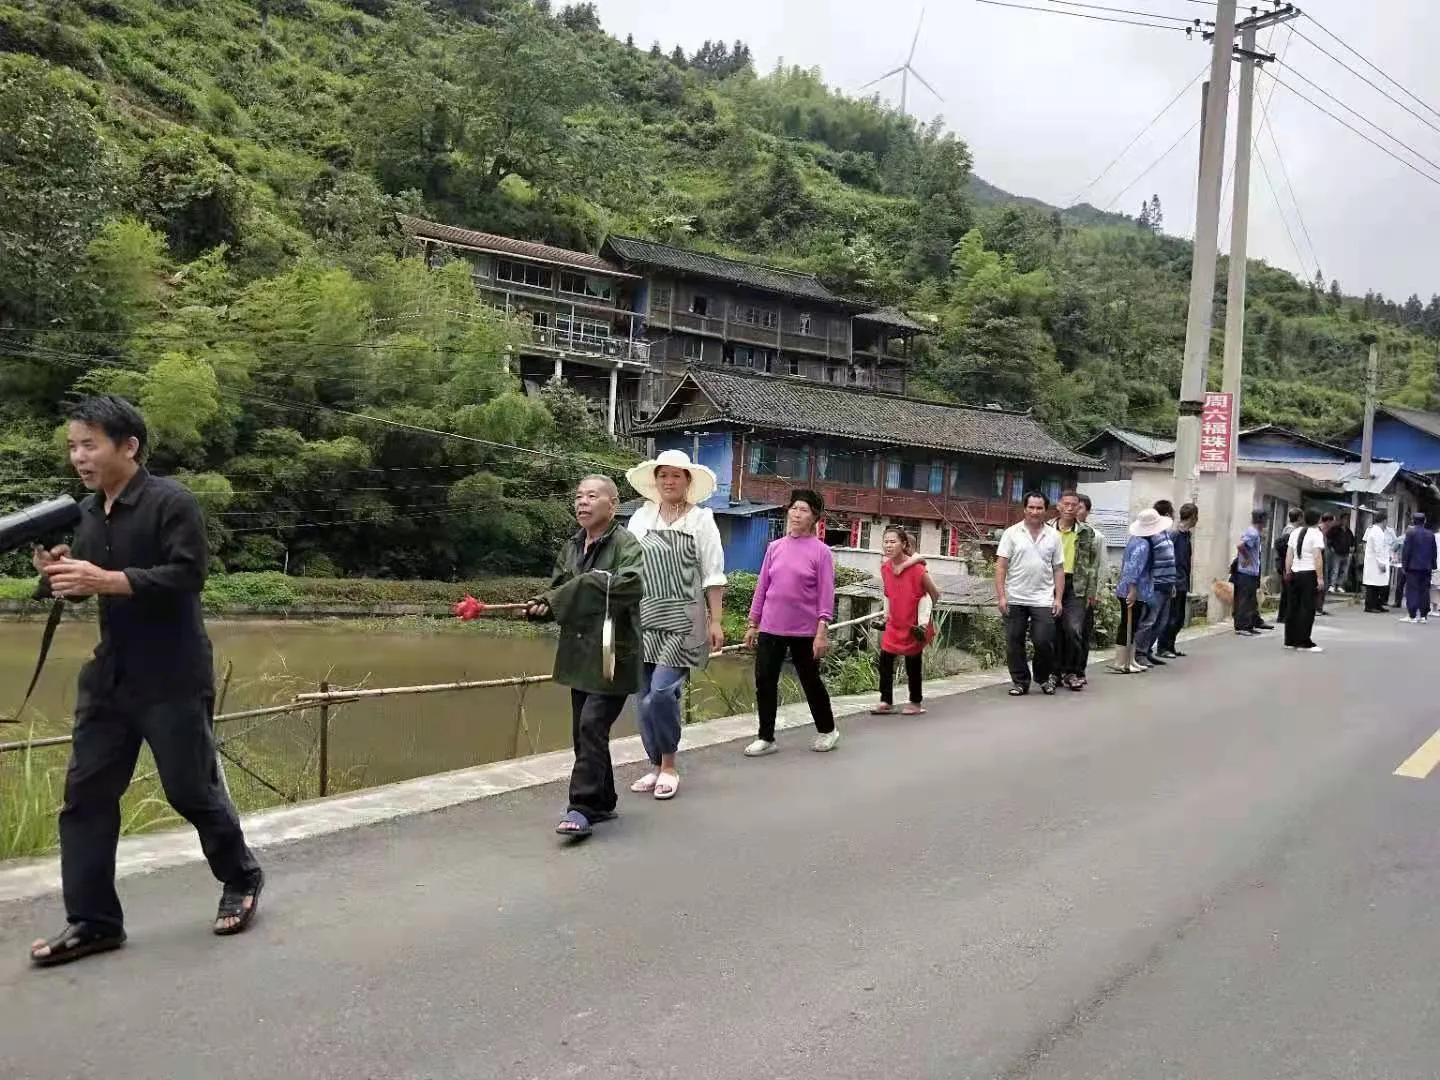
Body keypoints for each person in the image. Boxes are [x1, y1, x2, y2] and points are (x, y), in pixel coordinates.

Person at [28, 396, 263, 969]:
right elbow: (83, 587)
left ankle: (241, 877)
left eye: (89, 445)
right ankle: (94, 922)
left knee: (189, 789)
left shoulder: (171, 502)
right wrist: (57, 574)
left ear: (128, 446)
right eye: (73, 446)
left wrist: (105, 579)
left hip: (172, 675)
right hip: (110, 676)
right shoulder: (86, 513)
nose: (78, 457)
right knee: (86, 797)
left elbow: (187, 575)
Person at [529, 475, 644, 839]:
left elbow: (630, 586)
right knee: (585, 731)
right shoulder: (572, 546)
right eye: (579, 496)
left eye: (592, 496)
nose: (582, 502)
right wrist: (543, 606)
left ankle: (581, 807)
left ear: (612, 504)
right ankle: (604, 801)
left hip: (612, 655)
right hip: (579, 653)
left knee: (592, 725)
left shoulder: (627, 544)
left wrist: (584, 584)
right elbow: (559, 591)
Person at [624, 450, 727, 802]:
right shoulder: (641, 517)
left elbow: (713, 574)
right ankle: (654, 764)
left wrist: (716, 621)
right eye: (663, 475)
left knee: (662, 693)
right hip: (643, 616)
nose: (669, 481)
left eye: (676, 475)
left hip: (685, 618)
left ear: (687, 481)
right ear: (655, 480)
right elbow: (627, 567)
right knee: (642, 697)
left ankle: (669, 765)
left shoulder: (701, 520)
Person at [744, 490, 838, 756]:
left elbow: (826, 594)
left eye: (803, 510)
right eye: (794, 508)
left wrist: (821, 632)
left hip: (805, 630)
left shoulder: (821, 552)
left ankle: (828, 730)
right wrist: (753, 623)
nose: (796, 514)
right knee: (764, 681)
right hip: (771, 626)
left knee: (810, 681)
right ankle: (766, 737)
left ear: (814, 517)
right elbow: (763, 586)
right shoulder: (775, 547)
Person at [995, 492, 1065, 696]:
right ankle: (1020, 682)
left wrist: (1058, 599)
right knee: (1014, 641)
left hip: (1043, 598)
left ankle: (1043, 677)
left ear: (1045, 510)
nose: (1035, 512)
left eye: (1039, 508)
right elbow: (1001, 566)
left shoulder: (1054, 536)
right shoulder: (1011, 533)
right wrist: (1001, 596)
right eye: (1031, 507)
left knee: (1044, 640)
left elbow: (1058, 569)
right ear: (1025, 509)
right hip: (1015, 596)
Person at [870, 526, 940, 715]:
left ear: (903, 544)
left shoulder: (918, 569)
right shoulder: (885, 568)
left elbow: (934, 593)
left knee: (913, 664)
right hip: (894, 622)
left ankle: (915, 702)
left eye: (893, 542)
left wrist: (924, 616)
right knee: (885, 661)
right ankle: (886, 701)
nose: (888, 545)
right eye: (886, 542)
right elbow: (888, 593)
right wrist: (887, 615)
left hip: (913, 624)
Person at [1054, 491, 1103, 690]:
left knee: (1074, 629)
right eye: (1066, 504)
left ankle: (1072, 671)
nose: (1069, 508)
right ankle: (1054, 672)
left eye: (1074, 505)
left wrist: (1092, 592)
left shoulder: (1086, 532)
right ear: (1058, 505)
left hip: (1077, 584)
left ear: (1079, 508)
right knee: (1052, 631)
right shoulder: (1047, 530)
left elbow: (1093, 565)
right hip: (1050, 583)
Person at [1111, 508, 1167, 674]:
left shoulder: (1137, 541)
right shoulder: (1143, 544)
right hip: (1133, 590)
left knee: (1133, 625)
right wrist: (1133, 590)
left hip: (1136, 589)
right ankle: (1121, 661)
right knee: (1128, 624)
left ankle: (1130, 659)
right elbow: (1133, 569)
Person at [1134, 500, 1177, 668]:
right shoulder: (1149, 537)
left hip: (1167, 583)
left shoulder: (1166, 534)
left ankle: (1147, 651)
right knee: (1149, 621)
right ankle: (1139, 653)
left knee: (1161, 622)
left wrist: (1172, 584)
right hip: (1155, 584)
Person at [1156, 503, 1198, 658]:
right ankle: (1163, 647)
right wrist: (1171, 581)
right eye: (1196, 517)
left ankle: (1170, 646)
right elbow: (1169, 559)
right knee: (1171, 617)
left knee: (1179, 618)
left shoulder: (1187, 536)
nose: (1197, 520)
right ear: (1192, 517)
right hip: (1175, 581)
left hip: (1183, 580)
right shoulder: (1174, 535)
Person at [1283, 508, 1326, 653]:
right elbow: (1317, 557)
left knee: (1293, 607)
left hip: (1295, 572)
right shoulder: (1316, 534)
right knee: (1307, 608)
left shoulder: (1295, 532)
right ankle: (1303, 641)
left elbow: (1289, 554)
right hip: (1309, 574)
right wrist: (1320, 577)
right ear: (1318, 520)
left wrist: (1288, 571)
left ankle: (1290, 640)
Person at [1398, 512, 1438, 624]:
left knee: (1412, 590)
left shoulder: (1410, 533)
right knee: (1424, 591)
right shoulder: (1430, 534)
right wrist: (1433, 565)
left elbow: (1406, 551)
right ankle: (1424, 616)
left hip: (1413, 567)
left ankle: (1412, 615)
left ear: (1413, 521)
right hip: (1426, 567)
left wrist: (1404, 565)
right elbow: (1434, 552)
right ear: (1424, 521)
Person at [1233, 509, 1266, 635]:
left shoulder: (1253, 531)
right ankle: (1242, 626)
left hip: (1250, 571)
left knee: (1250, 599)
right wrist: (1246, 558)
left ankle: (1248, 625)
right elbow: (1240, 545)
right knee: (1245, 599)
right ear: (1262, 520)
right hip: (1247, 571)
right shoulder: (1253, 533)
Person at [1076, 495, 1098, 671]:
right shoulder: (1055, 531)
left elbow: (1098, 566)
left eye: (1080, 507)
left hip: (1085, 591)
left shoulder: (1094, 535)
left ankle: (1078, 670)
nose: (1074, 510)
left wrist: (1095, 592)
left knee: (1083, 631)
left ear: (1088, 512)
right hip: (1065, 590)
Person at [1274, 507, 1302, 623]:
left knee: (1287, 591)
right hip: (1287, 564)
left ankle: (1284, 615)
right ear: (1299, 518)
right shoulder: (1291, 531)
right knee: (1288, 591)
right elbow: (1287, 551)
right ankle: (1284, 616)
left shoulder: (1287, 529)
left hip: (1285, 563)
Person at [1362, 511, 1392, 613]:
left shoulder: (1376, 530)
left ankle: (1377, 605)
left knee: (1378, 585)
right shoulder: (1377, 532)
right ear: (1384, 521)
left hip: (1375, 562)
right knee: (1373, 585)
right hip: (1375, 563)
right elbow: (1378, 549)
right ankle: (1370, 606)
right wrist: (1380, 562)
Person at [1326, 515, 1355, 594]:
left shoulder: (1348, 531)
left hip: (1346, 553)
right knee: (1335, 570)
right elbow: (1328, 537)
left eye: (1347, 519)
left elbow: (1352, 541)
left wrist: (1352, 548)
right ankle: (1332, 585)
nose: (1346, 521)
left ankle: (1339, 585)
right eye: (1344, 519)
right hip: (1337, 553)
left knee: (1344, 571)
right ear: (1341, 520)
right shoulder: (1335, 529)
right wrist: (1331, 547)